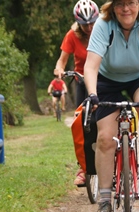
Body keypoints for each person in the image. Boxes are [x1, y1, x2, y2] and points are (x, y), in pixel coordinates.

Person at [83, 0, 139, 212]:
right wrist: (91, 94)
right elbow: (91, 66)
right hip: (108, 81)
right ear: (112, 6)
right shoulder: (102, 24)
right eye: (120, 3)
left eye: (131, 3)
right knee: (105, 138)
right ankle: (105, 204)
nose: (125, 9)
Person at [53, 0, 99, 186]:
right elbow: (61, 61)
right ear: (78, 22)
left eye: (92, 22)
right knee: (81, 123)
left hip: (104, 79)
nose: (89, 27)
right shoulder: (72, 35)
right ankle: (83, 167)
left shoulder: (104, 30)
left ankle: (117, 157)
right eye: (84, 23)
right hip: (82, 80)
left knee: (107, 118)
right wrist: (59, 70)